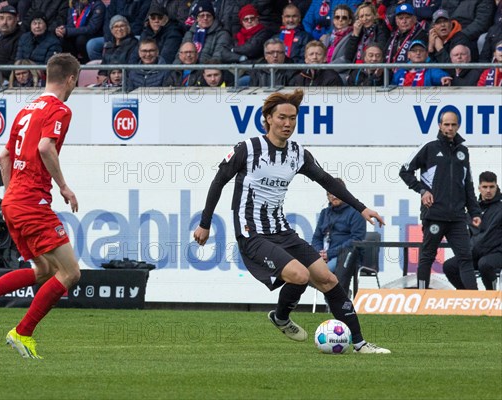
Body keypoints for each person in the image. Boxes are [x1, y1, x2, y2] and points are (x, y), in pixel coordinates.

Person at [193, 89, 390, 354]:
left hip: (281, 230)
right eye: (282, 118)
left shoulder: (297, 153)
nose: (287, 124)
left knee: (328, 279)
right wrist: (205, 223)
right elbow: (218, 182)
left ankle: (359, 343)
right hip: (253, 234)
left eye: (293, 118)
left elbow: (328, 181)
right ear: (268, 119)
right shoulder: (248, 149)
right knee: (300, 275)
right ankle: (281, 317)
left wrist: (362, 208)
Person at [0, 53, 82, 359]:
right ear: (70, 80)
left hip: (13, 201)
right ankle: (22, 332)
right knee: (71, 273)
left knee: (43, 269)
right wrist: (63, 186)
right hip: (31, 202)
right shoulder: (60, 109)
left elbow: (4, 157)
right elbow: (45, 147)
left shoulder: (26, 110)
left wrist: (12, 194)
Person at [399, 110, 481, 290]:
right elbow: (404, 171)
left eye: (453, 125)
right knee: (428, 255)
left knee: (465, 257)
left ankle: (474, 300)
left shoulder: (463, 151)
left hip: (458, 217)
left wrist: (474, 212)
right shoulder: (429, 147)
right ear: (439, 125)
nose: (450, 128)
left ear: (458, 126)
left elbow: (467, 184)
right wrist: (422, 190)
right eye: (446, 124)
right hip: (434, 215)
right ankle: (421, 295)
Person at [443, 171, 502, 290]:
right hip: (475, 254)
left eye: (492, 187)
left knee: (484, 264)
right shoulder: (473, 209)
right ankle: (469, 297)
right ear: (479, 188)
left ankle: (491, 297)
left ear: (497, 187)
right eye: (485, 187)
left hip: (496, 253)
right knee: (449, 266)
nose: (488, 190)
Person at [311, 177, 367, 295]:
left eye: (336, 193)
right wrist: (319, 253)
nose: (333, 196)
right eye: (330, 194)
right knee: (304, 274)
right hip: (324, 256)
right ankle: (339, 296)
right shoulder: (325, 213)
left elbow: (356, 240)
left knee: (321, 274)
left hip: (345, 256)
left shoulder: (356, 212)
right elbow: (316, 238)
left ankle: (337, 299)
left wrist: (329, 254)